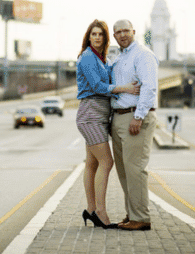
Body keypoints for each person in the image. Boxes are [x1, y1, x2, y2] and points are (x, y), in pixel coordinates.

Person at [76, 19, 140, 229]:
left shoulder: (102, 59)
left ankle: (91, 209)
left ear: (105, 38)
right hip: (90, 114)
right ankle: (101, 212)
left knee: (92, 164)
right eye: (93, 34)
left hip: (100, 115)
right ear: (88, 36)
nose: (97, 37)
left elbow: (114, 70)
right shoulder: (87, 57)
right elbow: (97, 85)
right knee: (107, 162)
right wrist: (125, 88)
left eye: (100, 34)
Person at [110, 19, 159, 231]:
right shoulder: (119, 58)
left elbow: (149, 88)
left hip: (134, 117)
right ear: (114, 36)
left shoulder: (143, 55)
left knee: (135, 170)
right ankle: (132, 215)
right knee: (124, 171)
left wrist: (138, 117)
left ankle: (141, 218)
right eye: (118, 32)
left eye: (126, 31)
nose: (122, 35)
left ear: (134, 32)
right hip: (119, 117)